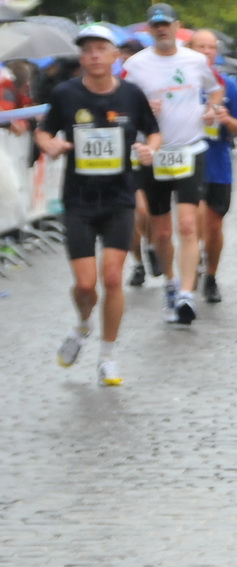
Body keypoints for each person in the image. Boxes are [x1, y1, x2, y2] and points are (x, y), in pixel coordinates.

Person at [35, 24, 160, 386]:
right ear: (81, 57)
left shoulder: (132, 95)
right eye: (87, 49)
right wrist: (49, 144)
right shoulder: (65, 94)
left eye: (101, 48)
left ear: (115, 55)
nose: (93, 55)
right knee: (86, 285)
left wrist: (150, 148)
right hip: (79, 201)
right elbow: (43, 130)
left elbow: (153, 130)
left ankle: (108, 356)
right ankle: (82, 325)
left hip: (119, 198)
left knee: (112, 278)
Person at [122, 3, 222, 325]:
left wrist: (211, 110)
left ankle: (186, 294)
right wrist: (140, 110)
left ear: (177, 26)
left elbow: (216, 90)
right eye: (156, 25)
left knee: (188, 225)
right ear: (149, 29)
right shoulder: (135, 65)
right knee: (162, 232)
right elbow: (120, 104)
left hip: (191, 149)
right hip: (154, 154)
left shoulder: (195, 60)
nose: (161, 29)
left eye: (166, 24)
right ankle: (169, 282)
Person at [188, 28, 237, 303]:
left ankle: (211, 276)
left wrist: (226, 120)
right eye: (200, 47)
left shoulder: (228, 86)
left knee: (214, 227)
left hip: (218, 165)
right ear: (191, 50)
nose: (206, 52)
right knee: (193, 220)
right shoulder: (181, 84)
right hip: (189, 165)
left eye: (210, 47)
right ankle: (190, 270)